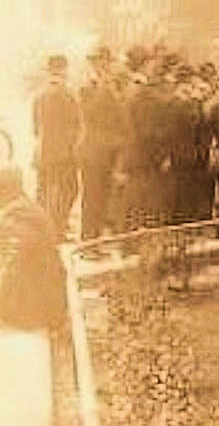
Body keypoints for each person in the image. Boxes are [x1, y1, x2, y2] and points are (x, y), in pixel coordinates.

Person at [0, 139, 66, 426]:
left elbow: (9, 272)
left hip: (24, 319)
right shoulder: (21, 209)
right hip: (29, 311)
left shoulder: (18, 217)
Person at [77, 46, 127, 241]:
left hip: (109, 151)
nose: (105, 66)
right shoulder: (87, 88)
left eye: (107, 62)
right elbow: (90, 113)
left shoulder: (113, 86)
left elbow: (120, 117)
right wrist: (105, 88)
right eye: (100, 62)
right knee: (92, 198)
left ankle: (97, 238)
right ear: (93, 64)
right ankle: (89, 240)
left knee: (105, 197)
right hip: (92, 151)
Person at [32, 55, 81, 239]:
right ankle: (58, 230)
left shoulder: (39, 94)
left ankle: (41, 231)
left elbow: (36, 128)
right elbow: (76, 124)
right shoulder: (67, 94)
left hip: (42, 153)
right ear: (63, 69)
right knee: (68, 190)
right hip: (63, 153)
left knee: (43, 192)